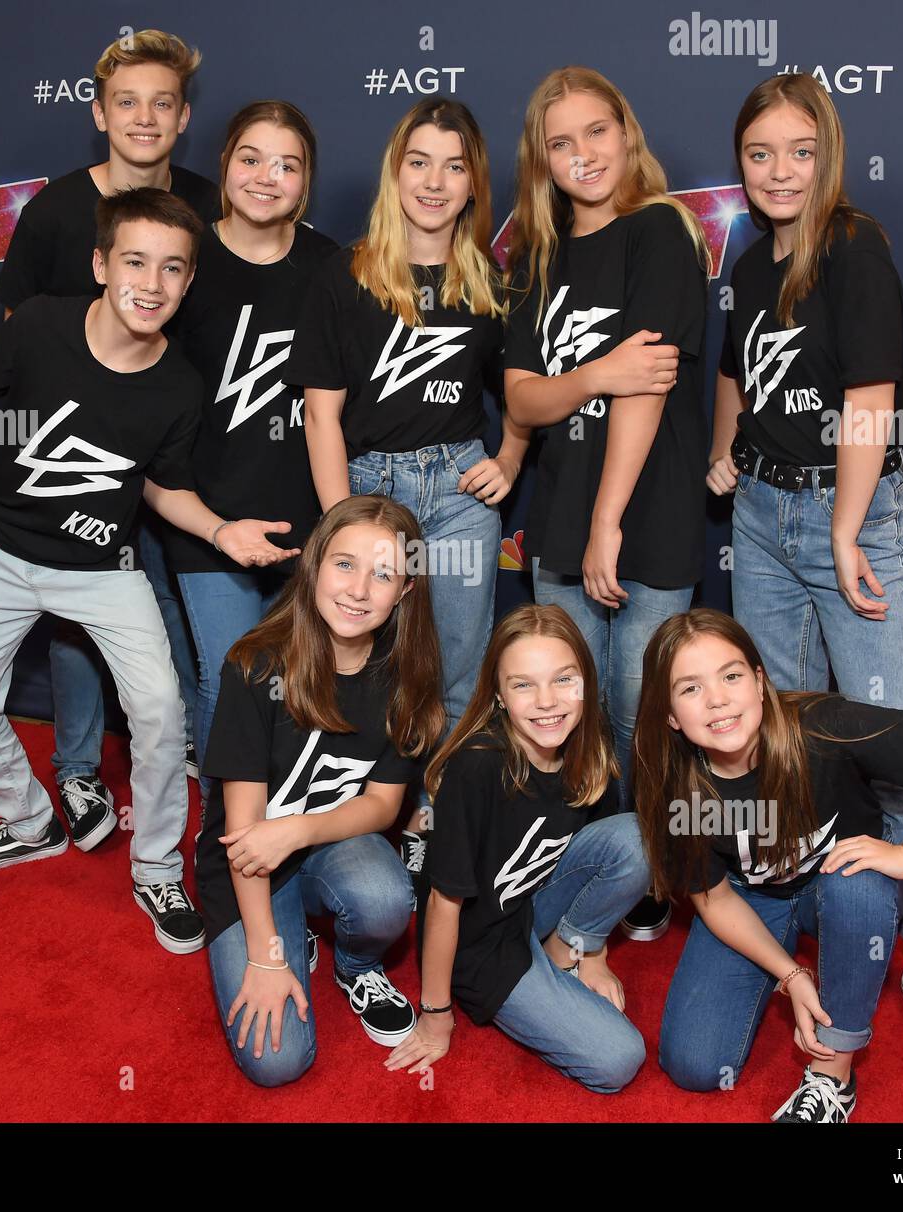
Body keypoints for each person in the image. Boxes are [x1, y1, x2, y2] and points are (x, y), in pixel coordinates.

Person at [0, 189, 297, 954]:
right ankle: (29, 819)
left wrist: (219, 528)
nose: (152, 282)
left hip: (100, 569)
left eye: (172, 268)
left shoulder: (179, 386)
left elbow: (163, 487)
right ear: (102, 264)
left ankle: (156, 865)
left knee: (161, 711)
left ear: (189, 282)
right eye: (135, 260)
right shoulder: (39, 325)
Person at [706, 73, 903, 1065]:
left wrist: (848, 530)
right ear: (740, 163)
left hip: (847, 512)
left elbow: (868, 401)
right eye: (759, 153)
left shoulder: (854, 248)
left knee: (896, 747)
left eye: (799, 151)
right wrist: (725, 448)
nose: (779, 171)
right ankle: (795, 919)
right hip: (765, 516)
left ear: (830, 156)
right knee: (780, 736)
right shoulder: (743, 256)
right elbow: (735, 369)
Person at [634, 609, 903, 1121]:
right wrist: (791, 977)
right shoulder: (676, 784)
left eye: (731, 675)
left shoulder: (821, 728)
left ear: (760, 681)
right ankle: (803, 963)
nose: (718, 699)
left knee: (855, 884)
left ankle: (833, 1076)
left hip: (840, 890)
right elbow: (716, 898)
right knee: (694, 1066)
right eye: (690, 688)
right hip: (754, 899)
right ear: (670, 716)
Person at [286, 98, 528, 896]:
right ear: (396, 171)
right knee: (363, 664)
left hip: (457, 492)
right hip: (369, 490)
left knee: (456, 674)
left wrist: (511, 455)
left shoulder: (489, 282)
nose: (434, 180)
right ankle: (352, 816)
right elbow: (321, 413)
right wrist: (339, 526)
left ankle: (434, 817)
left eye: (454, 166)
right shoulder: (344, 274)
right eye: (419, 160)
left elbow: (524, 392)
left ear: (473, 184)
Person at [503, 66, 710, 942]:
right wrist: (590, 373)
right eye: (562, 141)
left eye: (597, 132)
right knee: (564, 710)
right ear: (542, 160)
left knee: (641, 710)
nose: (583, 153)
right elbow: (522, 400)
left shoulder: (660, 230)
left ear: (626, 135)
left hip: (643, 516)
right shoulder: (540, 255)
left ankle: (655, 869)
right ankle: (580, 860)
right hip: (558, 519)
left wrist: (608, 523)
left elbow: (650, 387)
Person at [0, 29, 220, 825]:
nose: (145, 118)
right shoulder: (57, 209)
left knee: (175, 602)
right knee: (74, 623)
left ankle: (181, 744)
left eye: (162, 103)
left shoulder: (208, 201)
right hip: (78, 464)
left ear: (184, 116)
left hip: (172, 450)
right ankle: (79, 766)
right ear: (100, 112)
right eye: (128, 102)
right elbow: (17, 337)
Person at [195, 496, 445, 1086]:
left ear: (405, 592)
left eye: (384, 574)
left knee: (386, 898)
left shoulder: (407, 679)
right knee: (278, 1063)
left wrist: (300, 829)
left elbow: (384, 806)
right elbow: (244, 834)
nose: (360, 589)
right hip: (246, 860)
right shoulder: (254, 665)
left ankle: (355, 966)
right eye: (345, 564)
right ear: (312, 567)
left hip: (327, 843)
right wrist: (264, 952)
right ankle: (289, 929)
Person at [386, 603, 650, 1093]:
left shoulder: (590, 747)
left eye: (564, 679)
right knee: (618, 1061)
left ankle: (563, 952)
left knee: (638, 836)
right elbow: (443, 906)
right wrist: (435, 1013)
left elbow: (602, 860)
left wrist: (591, 954)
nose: (547, 701)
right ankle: (541, 967)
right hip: (482, 943)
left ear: (587, 682)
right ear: (500, 697)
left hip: (538, 905)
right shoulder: (478, 767)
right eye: (523, 684)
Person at [164, 100, 337, 792]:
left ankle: (291, 821)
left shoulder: (332, 265)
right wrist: (210, 522)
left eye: (287, 165)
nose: (267, 177)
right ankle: (223, 842)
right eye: (251, 159)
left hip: (306, 513)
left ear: (307, 181)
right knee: (232, 677)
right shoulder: (186, 258)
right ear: (224, 165)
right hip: (206, 514)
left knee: (302, 682)